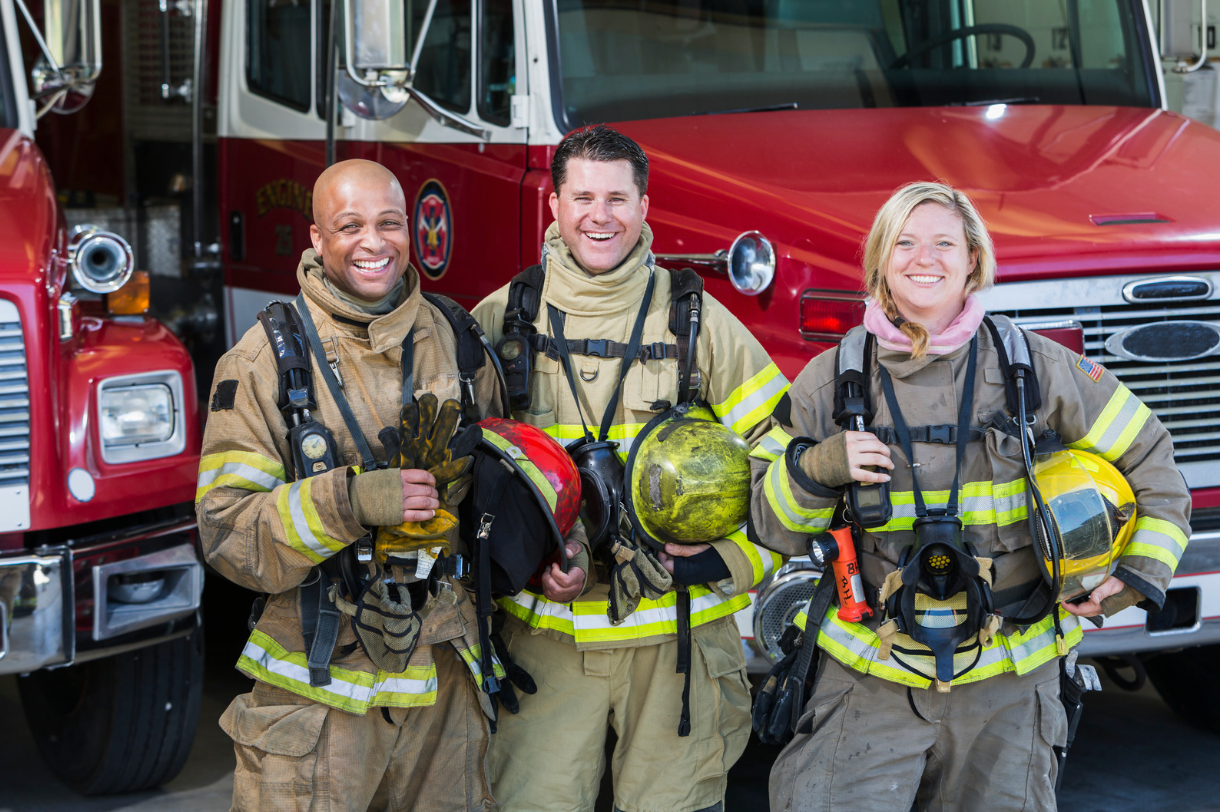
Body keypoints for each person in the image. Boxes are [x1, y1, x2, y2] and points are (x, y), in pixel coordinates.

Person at [750, 181, 1191, 811]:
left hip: (1010, 690)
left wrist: (1136, 576)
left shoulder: (1035, 370)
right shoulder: (830, 380)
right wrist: (817, 467)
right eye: (903, 242)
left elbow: (1153, 460)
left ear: (973, 262)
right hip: (868, 681)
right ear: (880, 259)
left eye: (943, 243)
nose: (922, 258)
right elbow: (771, 525)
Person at [472, 125, 789, 812]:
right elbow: (459, 475)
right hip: (543, 648)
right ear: (553, 206)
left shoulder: (698, 322)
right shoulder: (503, 319)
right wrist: (518, 561)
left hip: (677, 647)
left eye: (618, 198)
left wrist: (719, 562)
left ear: (645, 207)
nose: (600, 216)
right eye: (582, 197)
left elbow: (783, 460)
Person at [196, 159, 503, 811]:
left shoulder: (457, 339)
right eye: (349, 226)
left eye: (389, 223)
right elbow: (226, 533)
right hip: (318, 697)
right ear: (315, 238)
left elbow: (501, 486)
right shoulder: (260, 363)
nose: (373, 242)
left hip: (446, 699)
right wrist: (350, 501)